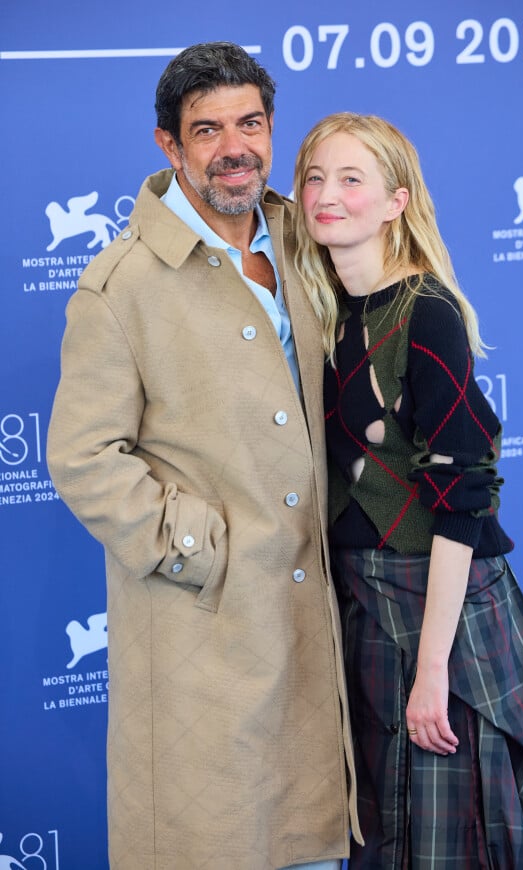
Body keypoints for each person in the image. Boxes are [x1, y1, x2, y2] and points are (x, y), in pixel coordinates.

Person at [47, 44, 362, 870]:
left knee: (312, 846)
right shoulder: (120, 286)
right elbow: (82, 455)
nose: (235, 147)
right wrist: (200, 548)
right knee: (215, 843)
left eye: (251, 123)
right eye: (208, 129)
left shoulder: (303, 236)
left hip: (321, 618)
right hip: (204, 633)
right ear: (170, 146)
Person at [293, 111, 523, 869]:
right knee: (388, 834)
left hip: (445, 616)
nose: (328, 194)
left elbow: (464, 504)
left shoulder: (428, 311)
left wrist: (433, 673)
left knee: (456, 846)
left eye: (352, 178)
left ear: (396, 200)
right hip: (363, 611)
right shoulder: (320, 316)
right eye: (315, 177)